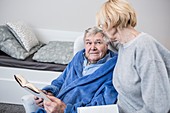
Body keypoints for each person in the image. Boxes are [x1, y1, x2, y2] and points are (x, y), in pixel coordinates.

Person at [96, 0, 170, 113]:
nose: (102, 29)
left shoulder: (145, 47)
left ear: (112, 22)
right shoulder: (123, 44)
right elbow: (105, 40)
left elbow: (157, 108)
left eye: (102, 25)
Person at [34, 26, 118, 113]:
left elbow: (101, 104)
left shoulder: (113, 68)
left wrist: (66, 110)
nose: (93, 48)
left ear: (107, 44)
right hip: (53, 108)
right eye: (89, 43)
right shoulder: (78, 58)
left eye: (98, 42)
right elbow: (60, 81)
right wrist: (48, 93)